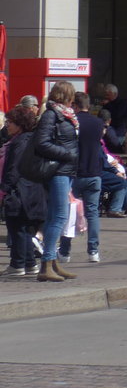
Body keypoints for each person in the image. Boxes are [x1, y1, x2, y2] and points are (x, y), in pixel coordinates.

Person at [31, 82, 80, 282]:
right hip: (58, 170)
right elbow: (41, 143)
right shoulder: (52, 114)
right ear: (67, 96)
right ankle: (47, 262)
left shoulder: (66, 115)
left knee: (56, 216)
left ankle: (52, 262)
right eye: (72, 96)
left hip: (66, 170)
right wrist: (66, 154)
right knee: (59, 216)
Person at [58, 91, 105, 264]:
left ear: (75, 106)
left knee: (69, 212)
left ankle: (64, 251)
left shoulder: (74, 122)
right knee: (92, 213)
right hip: (94, 172)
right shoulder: (99, 123)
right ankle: (93, 251)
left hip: (75, 173)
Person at [1, 101, 46, 277]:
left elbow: (14, 169)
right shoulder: (27, 139)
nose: (7, 125)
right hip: (29, 190)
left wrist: (4, 189)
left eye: (10, 122)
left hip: (20, 191)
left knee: (17, 227)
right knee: (24, 228)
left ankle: (18, 264)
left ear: (19, 125)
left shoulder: (20, 142)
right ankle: (28, 263)